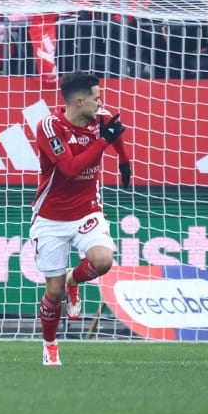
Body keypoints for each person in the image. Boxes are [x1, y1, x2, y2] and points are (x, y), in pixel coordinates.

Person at [30, 71, 131, 366]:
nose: (101, 104)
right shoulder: (49, 127)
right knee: (55, 292)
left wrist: (124, 161)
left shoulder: (100, 118)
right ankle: (50, 345)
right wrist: (103, 144)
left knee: (103, 260)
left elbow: (115, 133)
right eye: (96, 98)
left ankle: (75, 279)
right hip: (51, 217)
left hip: (87, 209)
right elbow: (71, 168)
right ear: (78, 101)